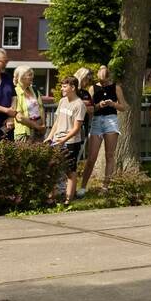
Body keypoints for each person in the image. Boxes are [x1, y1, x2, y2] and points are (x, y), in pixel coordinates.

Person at [79, 65, 124, 194]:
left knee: (109, 155)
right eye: (101, 81)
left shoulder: (116, 87)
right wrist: (99, 105)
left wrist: (113, 104)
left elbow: (124, 107)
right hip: (97, 121)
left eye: (105, 81)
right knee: (91, 157)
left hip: (111, 120)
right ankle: (83, 187)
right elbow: (90, 108)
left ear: (109, 78)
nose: (103, 84)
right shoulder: (92, 88)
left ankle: (105, 187)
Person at [46, 76, 86, 205]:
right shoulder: (62, 101)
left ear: (73, 87)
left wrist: (64, 140)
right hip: (56, 140)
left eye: (64, 86)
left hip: (71, 142)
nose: (62, 89)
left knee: (70, 171)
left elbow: (76, 128)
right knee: (52, 169)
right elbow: (57, 122)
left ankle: (68, 200)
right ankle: (51, 198)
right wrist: (50, 136)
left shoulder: (79, 104)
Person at [11, 66, 47, 143]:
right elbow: (19, 117)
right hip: (24, 131)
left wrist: (43, 125)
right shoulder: (14, 92)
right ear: (21, 77)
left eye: (32, 74)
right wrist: (37, 126)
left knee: (40, 151)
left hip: (39, 130)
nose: (32, 77)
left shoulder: (34, 90)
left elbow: (41, 108)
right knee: (24, 151)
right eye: (29, 75)